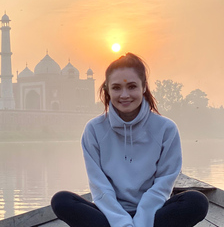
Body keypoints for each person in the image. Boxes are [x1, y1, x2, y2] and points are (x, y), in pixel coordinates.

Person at [51, 53, 209, 227]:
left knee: (197, 201)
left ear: (143, 87)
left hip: (153, 213)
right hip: (109, 214)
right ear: (107, 90)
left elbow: (163, 186)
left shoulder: (166, 129)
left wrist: (141, 221)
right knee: (61, 201)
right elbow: (99, 186)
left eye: (132, 87)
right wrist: (122, 223)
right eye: (117, 88)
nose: (124, 95)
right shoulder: (94, 129)